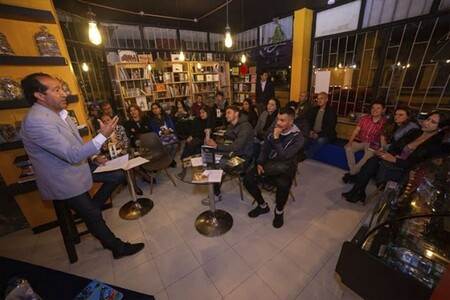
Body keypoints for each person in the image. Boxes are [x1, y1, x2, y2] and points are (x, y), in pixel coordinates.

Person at [19, 73, 144, 259]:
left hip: (79, 167)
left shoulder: (60, 113)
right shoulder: (36, 121)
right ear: (40, 95)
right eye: (56, 90)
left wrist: (93, 156)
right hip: (63, 178)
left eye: (62, 88)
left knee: (117, 175)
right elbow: (71, 154)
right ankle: (117, 248)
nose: (63, 94)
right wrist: (102, 136)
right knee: (94, 215)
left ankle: (91, 209)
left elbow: (73, 145)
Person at [342, 111, 449, 203]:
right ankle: (358, 191)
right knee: (373, 160)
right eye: (428, 119)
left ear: (440, 128)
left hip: (405, 170)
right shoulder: (415, 132)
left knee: (372, 163)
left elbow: (419, 166)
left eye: (433, 122)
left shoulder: (436, 145)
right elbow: (396, 146)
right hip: (392, 161)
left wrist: (396, 159)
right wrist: (388, 154)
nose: (427, 123)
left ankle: (357, 191)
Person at [244, 107, 304, 228]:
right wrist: (260, 162)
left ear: (291, 122)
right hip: (269, 163)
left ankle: (279, 211)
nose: (278, 123)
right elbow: (265, 148)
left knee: (283, 185)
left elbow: (284, 156)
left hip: (285, 167)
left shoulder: (298, 138)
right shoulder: (273, 129)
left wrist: (276, 138)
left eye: (282, 120)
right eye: (278, 119)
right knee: (247, 180)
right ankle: (262, 206)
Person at [204, 106, 255, 204]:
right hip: (233, 154)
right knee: (211, 160)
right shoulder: (232, 125)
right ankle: (216, 191)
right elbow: (228, 140)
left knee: (219, 164)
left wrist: (217, 146)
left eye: (229, 113)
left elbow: (236, 146)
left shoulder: (246, 127)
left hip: (243, 159)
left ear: (236, 114)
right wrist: (213, 144)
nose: (226, 115)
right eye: (226, 113)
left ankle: (216, 194)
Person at [343, 100, 387, 183]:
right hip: (361, 141)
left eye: (378, 108)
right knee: (348, 148)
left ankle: (351, 173)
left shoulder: (385, 122)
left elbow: (383, 138)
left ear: (383, 110)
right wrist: (349, 142)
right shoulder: (365, 118)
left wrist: (382, 149)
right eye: (373, 108)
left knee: (368, 156)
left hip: (373, 144)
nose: (375, 110)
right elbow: (356, 131)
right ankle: (354, 172)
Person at [306, 92, 337, 158]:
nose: (319, 101)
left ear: (326, 99)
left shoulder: (331, 111)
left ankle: (308, 155)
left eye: (321, 98)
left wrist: (318, 134)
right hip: (314, 132)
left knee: (320, 140)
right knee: (302, 135)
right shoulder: (315, 109)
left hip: (326, 134)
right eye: (318, 99)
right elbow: (309, 122)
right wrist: (311, 131)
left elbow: (330, 127)